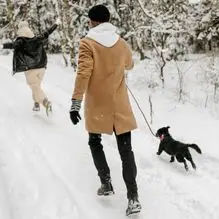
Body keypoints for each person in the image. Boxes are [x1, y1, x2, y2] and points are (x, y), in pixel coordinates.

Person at [69, 5, 141, 216]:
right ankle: (133, 198)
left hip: (98, 104)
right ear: (108, 20)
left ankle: (106, 183)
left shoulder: (87, 43)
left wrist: (75, 103)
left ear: (92, 21)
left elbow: (83, 73)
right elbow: (129, 65)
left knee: (95, 141)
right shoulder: (122, 42)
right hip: (119, 104)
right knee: (125, 150)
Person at [2, 19, 60, 114]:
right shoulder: (37, 38)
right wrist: (56, 24)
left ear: (20, 30)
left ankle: (45, 102)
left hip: (31, 69)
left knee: (34, 87)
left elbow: (13, 45)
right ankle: (36, 104)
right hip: (42, 67)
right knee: (36, 86)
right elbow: (47, 33)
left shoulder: (21, 40)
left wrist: (3, 46)